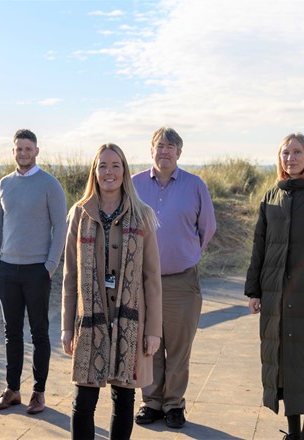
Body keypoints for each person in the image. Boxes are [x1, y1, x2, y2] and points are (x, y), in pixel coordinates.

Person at [61, 143, 162, 439]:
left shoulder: (142, 214)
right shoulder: (79, 215)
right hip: (89, 322)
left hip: (130, 323)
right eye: (102, 165)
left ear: (124, 171)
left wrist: (153, 330)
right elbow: (70, 277)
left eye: (115, 165)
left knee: (124, 399)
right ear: (95, 171)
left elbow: (152, 278)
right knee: (83, 402)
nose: (109, 172)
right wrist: (68, 329)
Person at [132, 126, 216, 429]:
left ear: (179, 152)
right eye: (159, 145)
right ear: (150, 149)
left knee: (179, 347)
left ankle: (174, 405)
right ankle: (151, 402)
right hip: (143, 282)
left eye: (171, 146)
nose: (164, 151)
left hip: (182, 281)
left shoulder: (195, 186)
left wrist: (185, 253)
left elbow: (207, 228)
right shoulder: (135, 184)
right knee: (148, 343)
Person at [245, 133, 304, 440]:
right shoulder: (271, 197)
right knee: (284, 364)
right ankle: (293, 434)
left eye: (296, 152)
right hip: (276, 294)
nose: (290, 158)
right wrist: (254, 291)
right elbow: (259, 248)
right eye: (284, 153)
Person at [0, 129, 67, 414]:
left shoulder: (49, 184)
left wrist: (50, 266)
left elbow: (61, 226)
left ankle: (38, 392)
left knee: (39, 332)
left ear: (36, 151)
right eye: (18, 149)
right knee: (11, 332)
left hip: (37, 271)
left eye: (28, 149)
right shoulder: (4, 184)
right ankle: (12, 390)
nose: (23, 153)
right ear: (13, 152)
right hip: (7, 269)